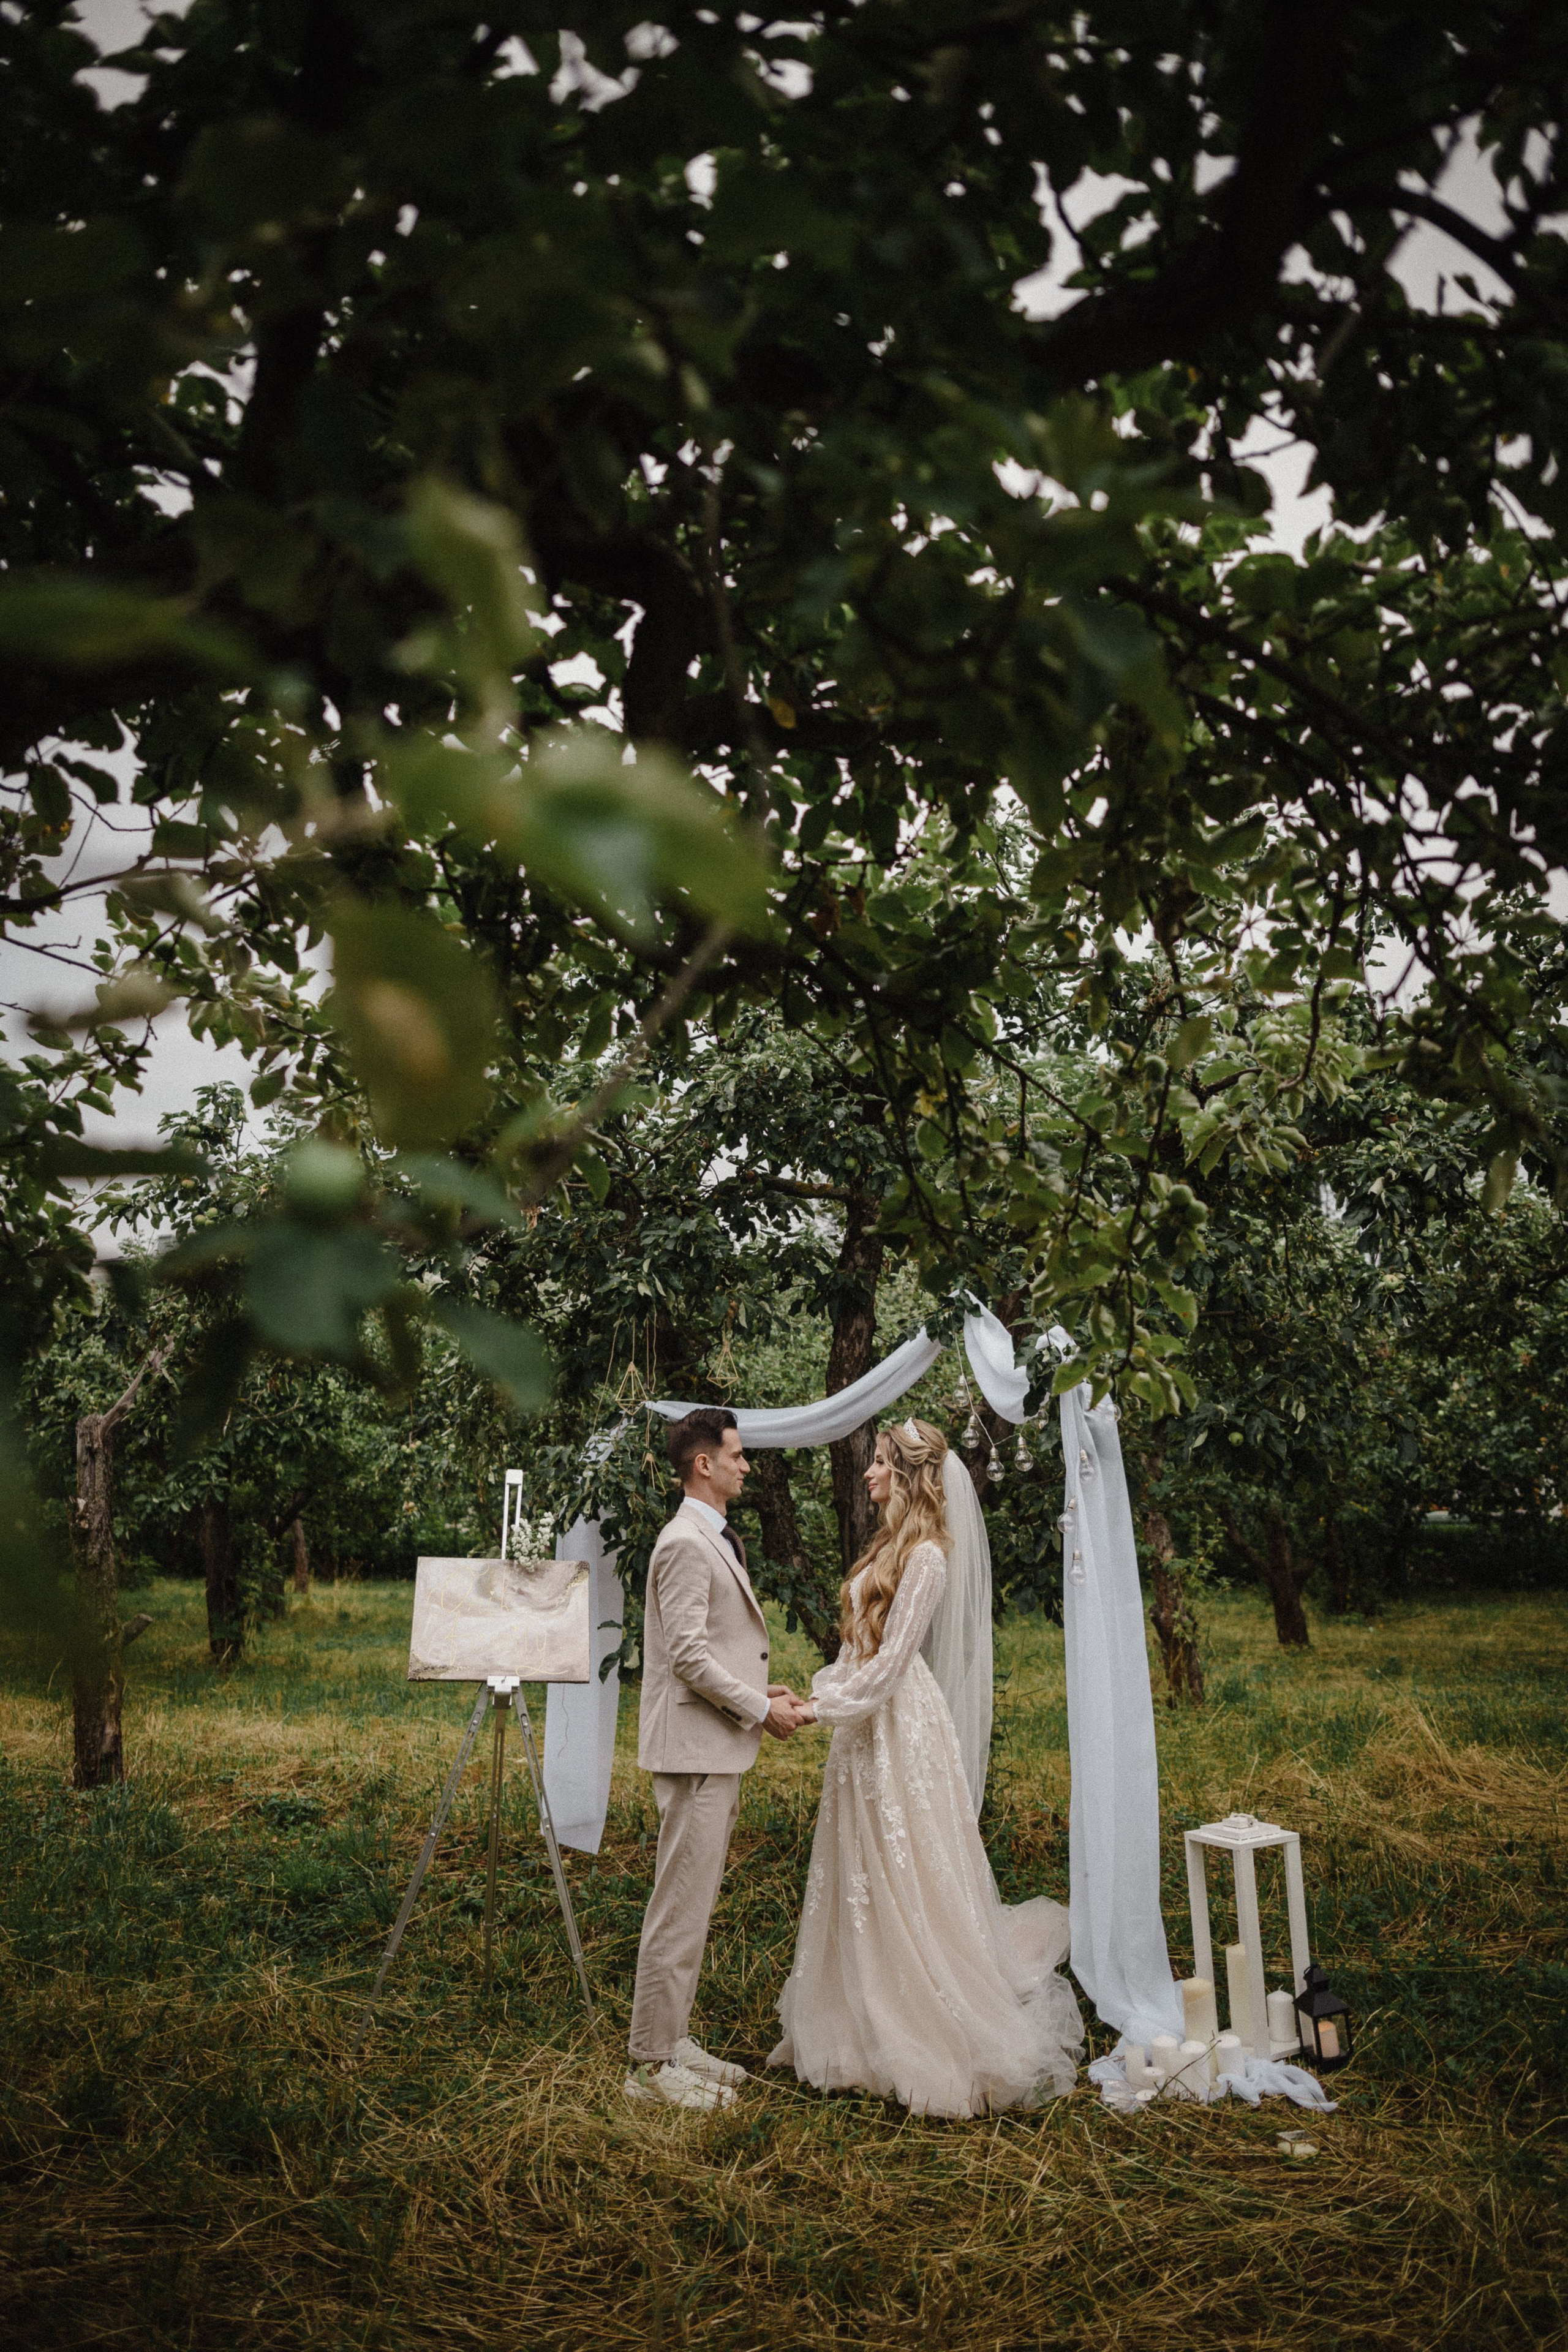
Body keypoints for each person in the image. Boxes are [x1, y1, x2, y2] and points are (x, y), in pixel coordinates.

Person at [768, 1418, 1083, 2116]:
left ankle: (923, 2020)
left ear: (909, 1475)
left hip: (898, 1728)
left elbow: (889, 1668)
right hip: (860, 1728)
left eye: (879, 1464)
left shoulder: (930, 1558)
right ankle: (853, 2015)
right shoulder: (886, 1544)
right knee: (859, 1868)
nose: (868, 1475)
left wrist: (819, 1712)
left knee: (905, 1864)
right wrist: (814, 1692)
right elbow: (857, 1657)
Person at [625, 1406, 804, 2112]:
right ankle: (647, 2065)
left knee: (693, 1908)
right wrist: (760, 1710)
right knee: (677, 1908)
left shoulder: (711, 1538)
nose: (746, 1465)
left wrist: (760, 1690)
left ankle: (673, 2039)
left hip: (715, 1745)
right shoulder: (683, 1544)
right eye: (737, 1455)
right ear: (704, 1463)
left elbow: (713, 1650)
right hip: (695, 1750)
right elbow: (688, 1657)